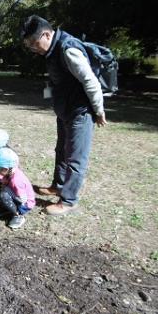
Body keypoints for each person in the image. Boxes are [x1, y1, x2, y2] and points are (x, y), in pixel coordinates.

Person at [21, 15, 107, 216]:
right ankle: (57, 186)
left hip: (80, 111)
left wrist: (99, 110)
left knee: (76, 157)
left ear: (47, 34)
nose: (34, 48)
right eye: (30, 46)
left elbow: (90, 81)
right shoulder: (51, 51)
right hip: (65, 109)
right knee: (61, 150)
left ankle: (68, 200)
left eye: (35, 43)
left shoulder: (68, 49)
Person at [0, 148, 35, 229]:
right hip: (16, 194)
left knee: (3, 195)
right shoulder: (11, 172)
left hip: (25, 204)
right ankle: (8, 208)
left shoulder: (16, 181)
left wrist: (5, 188)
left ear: (5, 169)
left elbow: (23, 199)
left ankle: (18, 215)